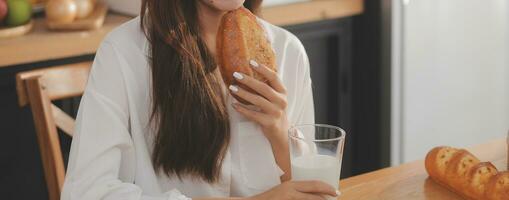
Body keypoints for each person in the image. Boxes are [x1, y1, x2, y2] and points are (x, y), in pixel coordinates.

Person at [61, 0, 339, 199]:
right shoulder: (122, 54)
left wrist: (279, 134)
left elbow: (310, 189)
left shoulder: (288, 52)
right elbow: (87, 192)